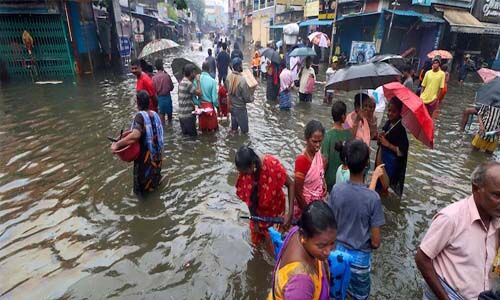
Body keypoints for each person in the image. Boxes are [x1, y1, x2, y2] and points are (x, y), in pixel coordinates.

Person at [415, 162, 500, 300]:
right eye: (497, 195)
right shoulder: (451, 218)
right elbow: (422, 259)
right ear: (476, 188)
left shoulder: (497, 219)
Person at [328, 139, 385, 300]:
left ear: (345, 160)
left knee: (337, 293)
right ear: (367, 163)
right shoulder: (373, 198)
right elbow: (375, 241)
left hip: (336, 255)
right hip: (359, 262)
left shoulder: (336, 190)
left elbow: (329, 225)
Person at [269, 201, 336, 300]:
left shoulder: (296, 231)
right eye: (321, 246)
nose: (328, 251)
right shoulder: (301, 284)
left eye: (332, 243)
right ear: (304, 236)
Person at [235, 146, 294, 247]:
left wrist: (290, 214)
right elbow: (249, 200)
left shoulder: (272, 166)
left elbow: (291, 184)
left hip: (276, 213)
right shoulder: (244, 174)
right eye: (241, 172)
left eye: (244, 172)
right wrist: (255, 222)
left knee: (276, 246)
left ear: (252, 165)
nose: (242, 175)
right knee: (256, 246)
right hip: (258, 216)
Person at [110, 91, 164, 197]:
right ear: (148, 102)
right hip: (157, 156)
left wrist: (117, 144)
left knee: (141, 191)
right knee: (154, 183)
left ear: (138, 103)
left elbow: (135, 135)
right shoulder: (155, 114)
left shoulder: (140, 116)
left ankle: (143, 210)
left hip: (145, 159)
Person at [294, 120, 327, 219]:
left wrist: (323, 183)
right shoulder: (302, 161)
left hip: (317, 204)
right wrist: (307, 212)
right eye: (314, 141)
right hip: (305, 207)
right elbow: (298, 192)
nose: (317, 145)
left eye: (320, 141)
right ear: (306, 139)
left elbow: (320, 175)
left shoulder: (319, 156)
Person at [376, 97, 409, 196]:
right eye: (389, 110)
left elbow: (402, 151)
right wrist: (380, 138)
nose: (390, 113)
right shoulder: (388, 123)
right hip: (382, 158)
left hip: (391, 163)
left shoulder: (401, 130)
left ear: (399, 113)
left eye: (394, 112)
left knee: (385, 185)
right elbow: (381, 141)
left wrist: (388, 144)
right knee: (379, 181)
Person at [321, 101, 353, 191]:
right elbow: (347, 127)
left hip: (330, 179)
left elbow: (325, 161)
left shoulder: (327, 135)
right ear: (343, 116)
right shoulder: (348, 134)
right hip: (344, 179)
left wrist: (321, 180)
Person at [226, 57, 254, 134]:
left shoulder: (228, 77)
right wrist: (252, 96)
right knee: (245, 132)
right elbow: (247, 98)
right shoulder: (242, 80)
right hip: (241, 110)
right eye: (241, 65)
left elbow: (227, 92)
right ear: (239, 67)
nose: (242, 66)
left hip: (232, 108)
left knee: (234, 130)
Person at [178, 64, 202, 136]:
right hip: (188, 116)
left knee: (186, 138)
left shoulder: (182, 82)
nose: (195, 74)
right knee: (193, 138)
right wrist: (198, 81)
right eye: (194, 72)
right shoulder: (188, 84)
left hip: (182, 116)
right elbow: (199, 93)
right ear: (191, 73)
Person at [152, 59, 174, 125]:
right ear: (162, 66)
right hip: (167, 98)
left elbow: (153, 91)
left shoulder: (154, 78)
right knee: (170, 118)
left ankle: (164, 132)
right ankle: (170, 128)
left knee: (162, 118)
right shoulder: (167, 76)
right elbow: (172, 88)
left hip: (160, 99)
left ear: (156, 67)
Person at [198, 62, 219, 132]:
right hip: (209, 107)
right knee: (212, 130)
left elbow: (193, 95)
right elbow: (214, 99)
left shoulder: (197, 80)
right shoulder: (213, 81)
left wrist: (197, 103)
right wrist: (218, 107)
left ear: (202, 68)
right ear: (209, 69)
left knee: (202, 129)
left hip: (200, 106)